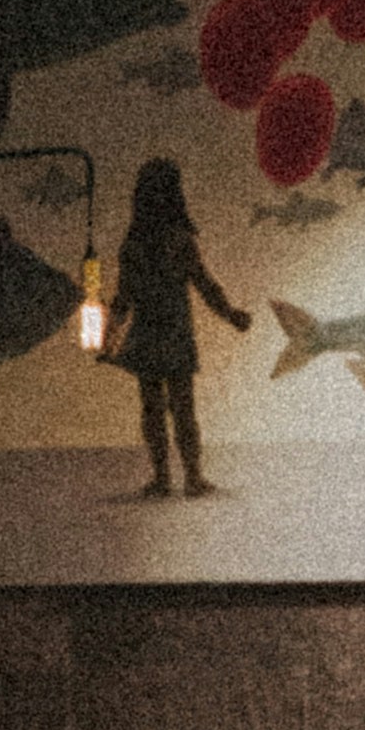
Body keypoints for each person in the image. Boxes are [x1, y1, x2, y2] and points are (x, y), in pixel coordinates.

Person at [107, 154, 248, 500]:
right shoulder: (178, 241)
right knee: (183, 407)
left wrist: (107, 337)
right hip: (175, 332)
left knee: (153, 408)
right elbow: (204, 284)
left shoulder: (134, 244)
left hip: (148, 333)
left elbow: (123, 298)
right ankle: (193, 477)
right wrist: (230, 314)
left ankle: (162, 478)